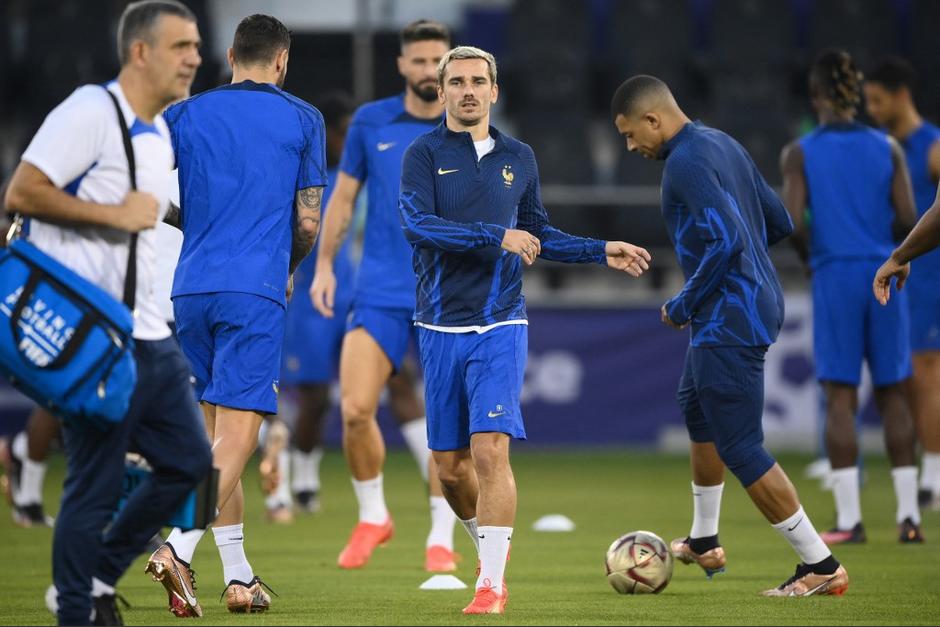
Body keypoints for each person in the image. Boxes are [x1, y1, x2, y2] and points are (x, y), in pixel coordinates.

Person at [401, 45, 651, 614]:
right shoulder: (422, 154)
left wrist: (597, 249)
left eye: (478, 81)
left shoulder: (520, 157)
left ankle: (490, 583)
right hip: (439, 327)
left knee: (491, 451)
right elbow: (418, 226)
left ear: (495, 90)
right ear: (441, 92)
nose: (468, 90)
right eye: (457, 81)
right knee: (451, 469)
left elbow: (537, 231)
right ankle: (488, 543)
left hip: (500, 323)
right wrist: (496, 234)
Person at [3, 2, 212, 624]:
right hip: (99, 337)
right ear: (140, 51)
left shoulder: (158, 133)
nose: (195, 57)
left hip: (149, 332)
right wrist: (114, 214)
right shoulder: (90, 111)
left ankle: (96, 575)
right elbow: (22, 192)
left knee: (192, 470)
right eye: (182, 46)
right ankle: (77, 607)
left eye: (197, 45)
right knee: (92, 485)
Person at [612, 74, 850, 596]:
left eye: (632, 134)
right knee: (695, 407)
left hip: (728, 315)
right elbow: (780, 220)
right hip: (749, 302)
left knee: (741, 446)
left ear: (654, 119)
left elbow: (724, 243)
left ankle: (822, 566)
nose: (631, 146)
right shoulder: (720, 142)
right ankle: (703, 539)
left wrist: (683, 303)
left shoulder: (685, 163)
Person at [145, 13, 326, 616]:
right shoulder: (304, 118)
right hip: (254, 289)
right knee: (240, 439)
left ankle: (240, 578)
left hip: (191, 290)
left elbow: (143, 190)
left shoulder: (184, 113)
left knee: (217, 442)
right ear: (281, 60)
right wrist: (290, 263)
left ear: (229, 55)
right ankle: (177, 545)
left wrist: (190, 221)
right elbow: (306, 223)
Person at [310, 20, 459, 572]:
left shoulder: (468, 123)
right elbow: (343, 198)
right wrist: (324, 264)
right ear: (402, 65)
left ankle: (441, 535)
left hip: (450, 297)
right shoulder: (371, 122)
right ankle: (374, 516)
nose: (427, 71)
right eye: (417, 61)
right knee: (353, 410)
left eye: (436, 61)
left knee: (447, 426)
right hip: (378, 291)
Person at [781, 49, 922, 545]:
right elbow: (908, 217)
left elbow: (793, 221)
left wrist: (811, 253)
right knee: (894, 393)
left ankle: (849, 521)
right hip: (885, 270)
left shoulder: (801, 152)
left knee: (840, 397)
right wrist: (892, 250)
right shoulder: (889, 147)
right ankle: (909, 518)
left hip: (835, 273)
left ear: (816, 95)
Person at [865, 56, 940, 510]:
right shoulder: (883, 147)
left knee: (926, 374)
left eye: (876, 100)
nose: (871, 109)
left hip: (930, 276)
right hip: (903, 275)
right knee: (907, 379)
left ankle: (934, 477)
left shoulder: (933, 146)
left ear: (900, 96)